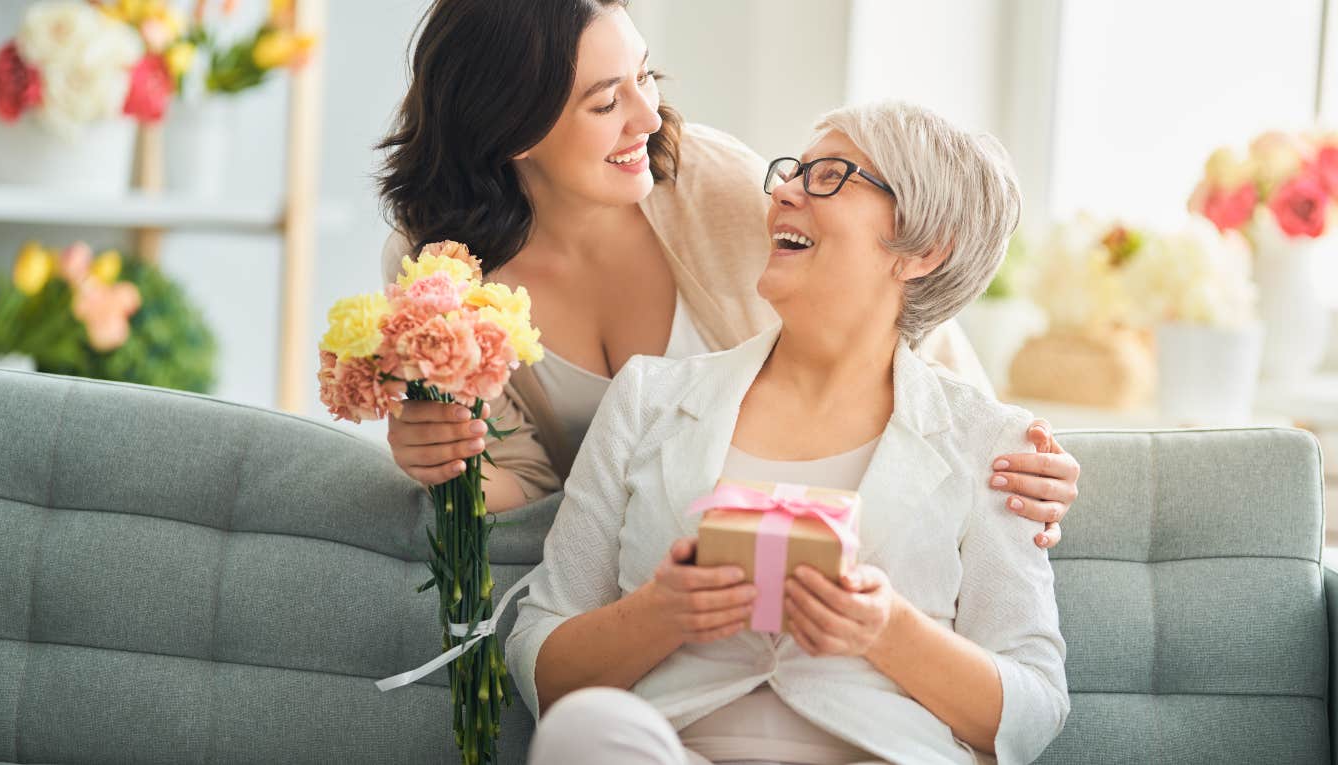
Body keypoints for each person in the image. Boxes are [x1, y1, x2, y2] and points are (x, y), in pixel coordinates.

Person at [377, 0, 1080, 549]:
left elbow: (896, 317)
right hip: (646, 563)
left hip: (805, 533)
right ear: (512, 130)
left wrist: (1007, 458)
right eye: (605, 101)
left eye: (644, 75)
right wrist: (444, 457)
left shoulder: (710, 183)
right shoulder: (437, 270)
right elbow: (528, 483)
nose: (648, 116)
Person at [507, 100, 1068, 765]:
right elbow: (539, 656)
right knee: (586, 732)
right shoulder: (648, 399)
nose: (784, 192)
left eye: (830, 175)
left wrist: (888, 630)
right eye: (791, 172)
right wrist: (663, 611)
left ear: (925, 249)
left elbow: (1034, 708)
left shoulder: (994, 442)